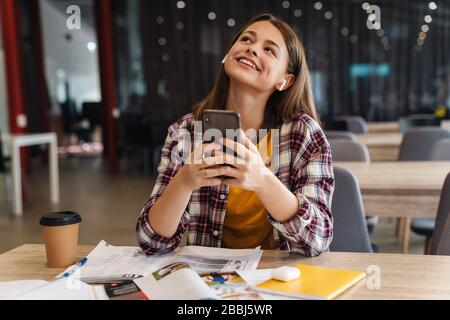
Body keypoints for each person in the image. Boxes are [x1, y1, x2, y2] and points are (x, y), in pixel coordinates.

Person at [136, 13, 334, 257]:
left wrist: (263, 180)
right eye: (246, 40)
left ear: (285, 80)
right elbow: (151, 243)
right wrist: (185, 180)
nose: (252, 49)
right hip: (210, 282)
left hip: (278, 278)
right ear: (228, 54)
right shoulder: (185, 132)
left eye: (269, 50)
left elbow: (318, 239)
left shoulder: (303, 134)